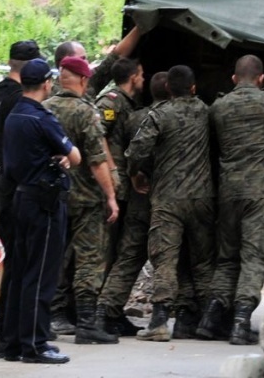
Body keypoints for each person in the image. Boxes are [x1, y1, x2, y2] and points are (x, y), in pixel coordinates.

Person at [197, 55, 264, 345]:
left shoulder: (219, 107)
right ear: (261, 78)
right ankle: (240, 323)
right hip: (261, 193)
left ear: (234, 79)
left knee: (227, 258)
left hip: (229, 193)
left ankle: (210, 318)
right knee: (254, 259)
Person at [125, 65, 216, 342]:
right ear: (193, 87)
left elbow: (137, 149)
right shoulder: (205, 111)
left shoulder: (160, 114)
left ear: (167, 88)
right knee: (202, 261)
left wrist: (135, 174)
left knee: (165, 259)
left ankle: (160, 321)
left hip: (168, 200)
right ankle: (207, 320)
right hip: (201, 198)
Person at [1, 58, 81, 364]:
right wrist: (62, 156)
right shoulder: (41, 118)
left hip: (20, 197)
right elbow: (75, 155)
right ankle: (35, 344)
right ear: (47, 84)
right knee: (42, 275)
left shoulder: (14, 115)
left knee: (20, 273)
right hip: (43, 204)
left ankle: (12, 342)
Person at [43, 56, 120, 345]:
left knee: (52, 256)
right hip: (86, 200)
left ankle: (47, 319)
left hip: (53, 196)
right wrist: (110, 195)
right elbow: (97, 161)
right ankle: (86, 323)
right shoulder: (86, 112)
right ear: (84, 80)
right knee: (89, 259)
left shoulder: (44, 108)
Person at [0, 39, 43, 359]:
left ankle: (8, 331)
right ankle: (10, 333)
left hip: (1, 181)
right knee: (22, 263)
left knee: (14, 259)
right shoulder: (18, 100)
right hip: (16, 184)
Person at [96, 71, 167, 336]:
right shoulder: (187, 116)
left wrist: (134, 174)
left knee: (128, 257)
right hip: (169, 200)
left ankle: (105, 311)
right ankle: (174, 316)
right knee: (171, 258)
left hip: (140, 200)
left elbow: (128, 150)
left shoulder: (134, 118)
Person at [93, 57, 145, 336]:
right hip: (112, 187)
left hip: (123, 187)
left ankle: (110, 311)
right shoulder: (111, 101)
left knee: (116, 250)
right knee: (106, 250)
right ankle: (96, 312)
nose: (144, 79)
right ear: (133, 76)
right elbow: (97, 132)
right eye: (141, 74)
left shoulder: (128, 103)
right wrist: (111, 168)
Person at [53, 27, 141, 98]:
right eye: (82, 59)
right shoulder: (50, 93)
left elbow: (116, 56)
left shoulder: (90, 80)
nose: (86, 62)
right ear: (65, 61)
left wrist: (140, 27)